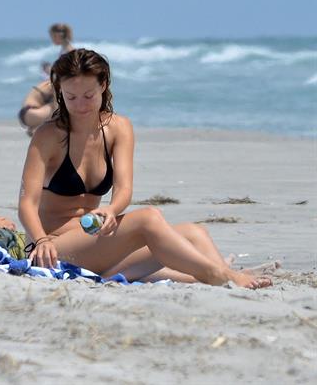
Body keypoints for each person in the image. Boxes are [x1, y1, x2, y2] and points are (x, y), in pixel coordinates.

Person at [18, 48, 272, 289]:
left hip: (96, 239)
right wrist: (40, 240)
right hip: (52, 248)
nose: (80, 105)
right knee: (148, 219)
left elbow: (124, 188)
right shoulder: (48, 136)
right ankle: (219, 274)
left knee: (194, 233)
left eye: (89, 96)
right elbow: (27, 204)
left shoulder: (119, 128)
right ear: (60, 91)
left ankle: (218, 274)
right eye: (71, 97)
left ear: (103, 85)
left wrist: (112, 210)